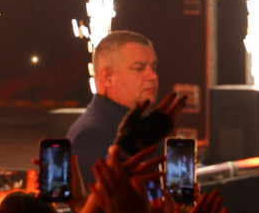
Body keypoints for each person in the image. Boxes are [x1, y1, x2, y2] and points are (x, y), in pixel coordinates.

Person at [66, 30, 183, 188]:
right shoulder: (92, 134)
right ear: (107, 77)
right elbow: (95, 207)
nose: (153, 76)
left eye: (153, 68)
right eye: (139, 68)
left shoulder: (143, 125)